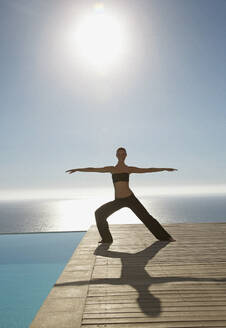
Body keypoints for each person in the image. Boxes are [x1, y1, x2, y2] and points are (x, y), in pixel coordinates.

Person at [65, 147, 177, 244]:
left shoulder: (129, 169)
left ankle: (165, 237)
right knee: (99, 213)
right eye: (119, 154)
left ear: (126, 155)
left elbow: (147, 170)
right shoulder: (111, 169)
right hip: (118, 200)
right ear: (116, 155)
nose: (121, 155)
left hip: (130, 198)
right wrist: (78, 169)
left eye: (123, 154)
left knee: (146, 217)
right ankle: (107, 239)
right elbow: (93, 169)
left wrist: (164, 169)